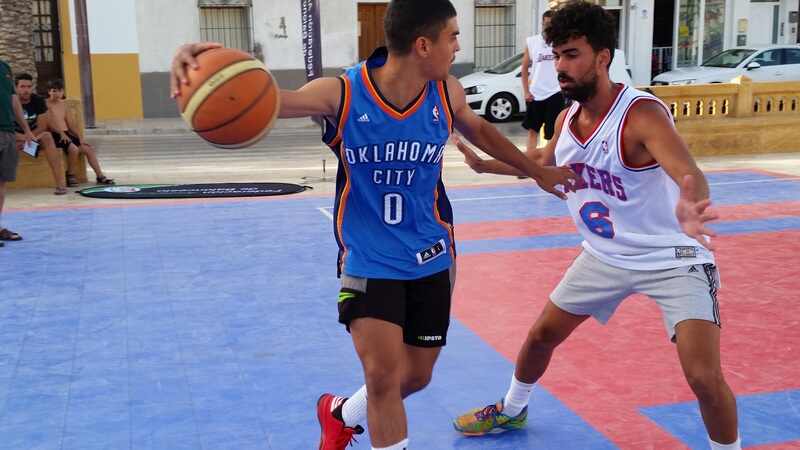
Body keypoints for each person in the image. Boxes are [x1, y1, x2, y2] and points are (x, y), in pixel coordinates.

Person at [170, 1, 577, 449]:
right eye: (452, 36)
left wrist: (534, 169)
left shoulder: (446, 91)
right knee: (383, 379)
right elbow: (263, 101)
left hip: (431, 251)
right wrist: (200, 77)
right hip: (368, 255)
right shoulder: (341, 94)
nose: (458, 46)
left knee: (415, 377)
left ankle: (341, 413)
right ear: (423, 44)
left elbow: (480, 131)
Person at [451, 2, 741, 449]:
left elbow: (690, 173)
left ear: (602, 57)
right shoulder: (568, 119)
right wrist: (486, 165)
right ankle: (512, 410)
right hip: (604, 256)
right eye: (556, 57)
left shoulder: (641, 114)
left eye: (571, 55)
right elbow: (541, 163)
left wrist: (690, 203)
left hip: (673, 255)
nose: (560, 68)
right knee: (539, 337)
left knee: (703, 376)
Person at [45, 78, 114, 185]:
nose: (57, 93)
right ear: (49, 91)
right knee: (73, 149)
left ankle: (100, 176)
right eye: (54, 91)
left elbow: (70, 124)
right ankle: (70, 175)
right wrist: (61, 133)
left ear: (63, 91)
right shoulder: (46, 104)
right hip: (54, 135)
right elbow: (48, 122)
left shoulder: (63, 106)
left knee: (89, 148)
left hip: (66, 134)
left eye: (59, 91)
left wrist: (80, 138)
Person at [0, 60, 37, 246]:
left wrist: (26, 130)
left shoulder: (4, 67)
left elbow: (14, 102)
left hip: (7, 132)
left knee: (2, 182)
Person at [14, 73, 69, 195]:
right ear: (15, 88)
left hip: (34, 137)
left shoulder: (37, 100)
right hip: (15, 139)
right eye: (22, 87)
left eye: (29, 86)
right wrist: (25, 138)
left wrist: (30, 138)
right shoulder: (8, 102)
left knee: (48, 137)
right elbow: (7, 131)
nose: (26, 90)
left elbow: (42, 126)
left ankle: (59, 183)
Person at [520, 10, 564, 152]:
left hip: (555, 92)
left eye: (551, 24)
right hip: (536, 94)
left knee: (553, 134)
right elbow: (524, 68)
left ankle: (550, 164)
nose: (548, 27)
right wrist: (526, 91)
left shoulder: (560, 42)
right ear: (542, 23)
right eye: (546, 24)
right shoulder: (532, 42)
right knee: (532, 131)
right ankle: (529, 163)